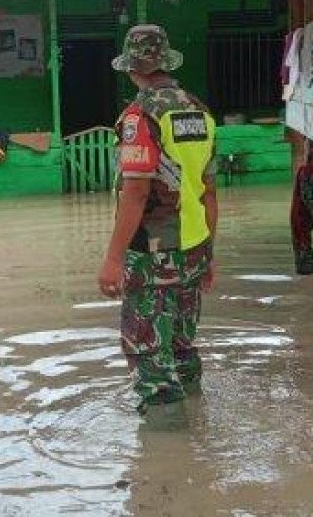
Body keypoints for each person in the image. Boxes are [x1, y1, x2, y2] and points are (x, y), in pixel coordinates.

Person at [97, 24, 219, 412]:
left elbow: (136, 192)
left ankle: (167, 459)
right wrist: (209, 255)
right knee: (183, 346)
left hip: (154, 250)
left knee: (148, 352)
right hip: (195, 246)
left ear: (133, 70)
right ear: (165, 62)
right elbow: (208, 191)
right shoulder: (201, 112)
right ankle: (199, 431)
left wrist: (114, 258)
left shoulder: (139, 117)